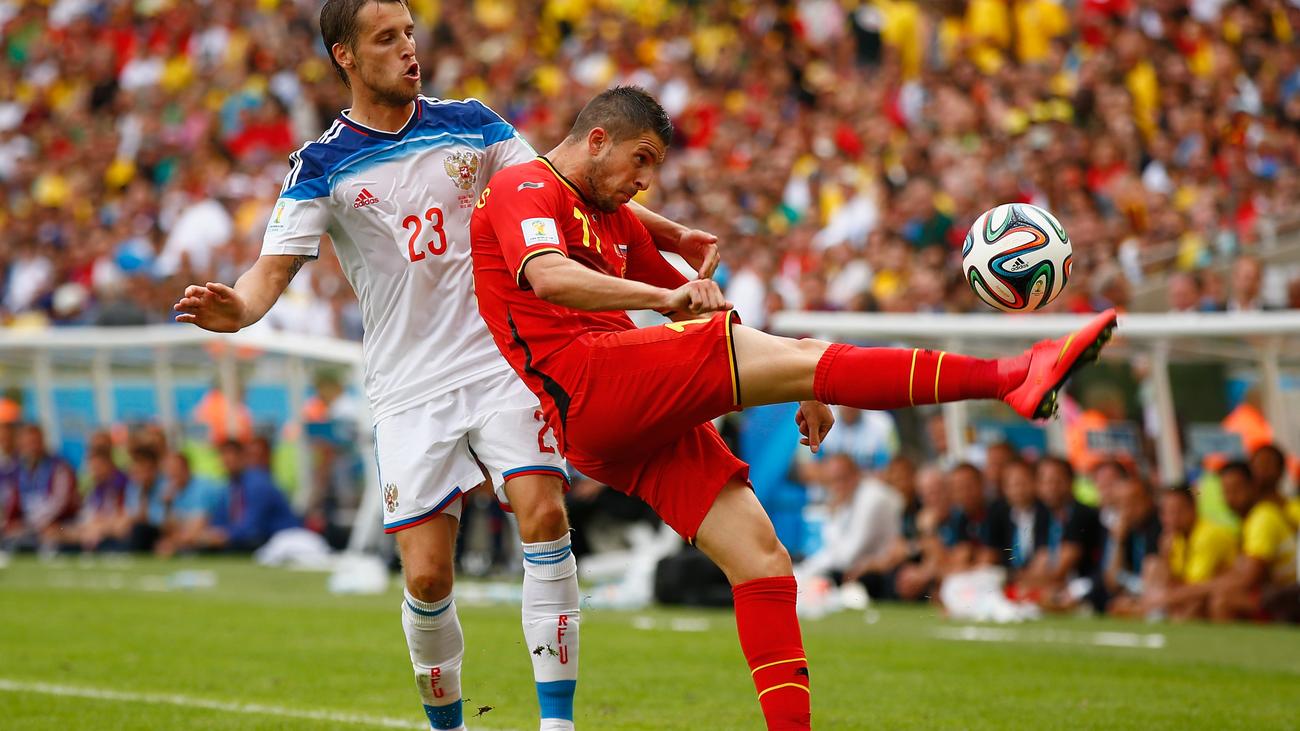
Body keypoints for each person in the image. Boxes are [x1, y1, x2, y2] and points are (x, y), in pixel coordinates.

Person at [469, 86, 1116, 728]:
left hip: (616, 409)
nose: (644, 182)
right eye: (641, 160)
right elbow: (550, 276)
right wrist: (677, 306)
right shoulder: (524, 187)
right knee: (808, 352)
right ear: (598, 139)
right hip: (587, 383)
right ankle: (1012, 375)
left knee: (762, 558)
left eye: (655, 168)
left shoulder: (610, 216)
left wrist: (796, 382)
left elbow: (710, 310)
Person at [171, 4, 717, 729]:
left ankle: (557, 723)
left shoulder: (474, 123)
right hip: (409, 388)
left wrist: (672, 230)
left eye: (409, 34)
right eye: (386, 38)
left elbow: (568, 192)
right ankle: (449, 725)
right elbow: (265, 281)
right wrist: (235, 310)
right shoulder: (321, 165)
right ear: (345, 56)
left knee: (546, 516)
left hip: (501, 360)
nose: (407, 49)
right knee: (427, 576)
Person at [1120, 486, 1235, 620]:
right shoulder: (1176, 537)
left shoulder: (1208, 535)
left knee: (1194, 604)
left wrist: (1162, 599)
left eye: (1176, 511)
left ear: (1193, 509)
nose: (1170, 518)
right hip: (1196, 594)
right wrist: (1165, 558)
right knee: (1153, 567)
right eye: (1165, 513)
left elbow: (1196, 586)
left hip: (1226, 595)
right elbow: (1174, 582)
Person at [1207, 461, 1297, 622]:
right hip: (1277, 596)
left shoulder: (1263, 517)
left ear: (1253, 487)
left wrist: (1185, 593)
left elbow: (1249, 578)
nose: (1231, 497)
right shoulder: (1249, 521)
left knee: (1223, 601)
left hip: (1288, 598)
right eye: (1226, 491)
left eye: (1236, 489)